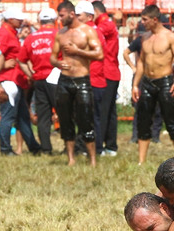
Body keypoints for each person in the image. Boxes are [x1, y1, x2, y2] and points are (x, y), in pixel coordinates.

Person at [50, 0, 103, 166]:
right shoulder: (61, 33)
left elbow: (99, 54)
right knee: (65, 119)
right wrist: (58, 63)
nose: (59, 19)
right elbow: (52, 56)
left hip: (82, 79)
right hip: (64, 80)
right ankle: (71, 158)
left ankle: (92, 159)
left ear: (71, 14)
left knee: (85, 119)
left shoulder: (87, 31)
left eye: (62, 15)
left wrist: (77, 51)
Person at [131, 5, 174, 165]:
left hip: (165, 82)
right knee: (144, 120)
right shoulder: (144, 37)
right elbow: (141, 62)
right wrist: (135, 85)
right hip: (147, 82)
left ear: (155, 20)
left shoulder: (169, 36)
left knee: (170, 120)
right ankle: (141, 161)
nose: (142, 23)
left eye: (145, 20)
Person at [0, 8, 42, 157]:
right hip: (9, 80)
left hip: (16, 80)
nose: (21, 21)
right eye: (18, 18)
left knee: (22, 116)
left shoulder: (11, 33)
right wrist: (2, 65)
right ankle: (5, 149)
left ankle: (34, 147)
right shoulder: (3, 34)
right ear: (9, 19)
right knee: (9, 115)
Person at [18, 8, 59, 155]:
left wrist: (31, 74)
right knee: (65, 112)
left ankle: (46, 149)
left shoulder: (31, 38)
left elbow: (21, 60)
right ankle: (71, 145)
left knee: (43, 116)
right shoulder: (58, 34)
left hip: (39, 78)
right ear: (55, 20)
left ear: (40, 21)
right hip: (56, 77)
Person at [76, 1, 107, 157]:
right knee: (86, 115)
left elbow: (97, 55)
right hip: (89, 79)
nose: (76, 18)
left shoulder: (93, 32)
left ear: (89, 16)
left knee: (93, 116)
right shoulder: (85, 31)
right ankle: (86, 148)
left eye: (78, 15)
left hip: (93, 79)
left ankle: (97, 149)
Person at [92, 1, 121, 157]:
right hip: (111, 72)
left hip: (106, 73)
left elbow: (93, 36)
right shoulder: (107, 23)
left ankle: (100, 146)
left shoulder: (104, 25)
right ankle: (110, 145)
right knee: (109, 112)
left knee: (102, 112)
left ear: (95, 12)